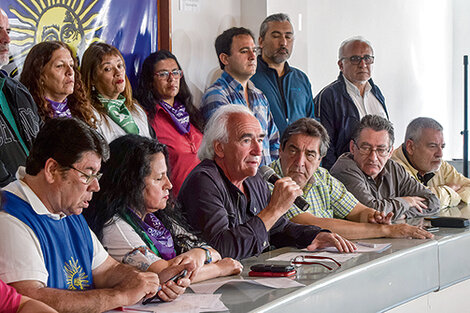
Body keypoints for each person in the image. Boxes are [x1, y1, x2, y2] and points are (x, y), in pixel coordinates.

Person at [0, 118, 191, 312]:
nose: (95, 186)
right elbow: (29, 300)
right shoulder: (9, 217)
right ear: (52, 170)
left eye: (96, 175)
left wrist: (150, 282)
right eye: (87, 174)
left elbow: (107, 270)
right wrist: (120, 295)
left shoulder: (65, 207)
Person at [178, 105, 356, 260]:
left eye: (260, 140)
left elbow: (278, 228)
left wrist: (315, 235)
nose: (258, 150)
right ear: (219, 148)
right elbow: (221, 249)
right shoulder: (203, 182)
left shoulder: (254, 178)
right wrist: (274, 209)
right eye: (246, 140)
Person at [84, 134, 242, 283]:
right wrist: (219, 269)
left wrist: (200, 253)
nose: (169, 185)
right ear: (130, 182)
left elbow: (212, 251)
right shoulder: (114, 226)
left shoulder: (158, 217)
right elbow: (165, 274)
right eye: (159, 178)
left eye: (166, 175)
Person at [270, 117, 433, 239]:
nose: (300, 162)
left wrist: (374, 216)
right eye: (293, 151)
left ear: (320, 159)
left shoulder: (322, 177)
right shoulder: (269, 181)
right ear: (280, 151)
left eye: (310, 155)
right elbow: (310, 223)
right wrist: (386, 230)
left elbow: (358, 210)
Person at [330, 115, 440, 219]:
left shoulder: (394, 168)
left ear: (390, 152)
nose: (373, 158)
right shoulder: (344, 169)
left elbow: (433, 201)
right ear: (352, 148)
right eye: (366, 148)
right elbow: (371, 211)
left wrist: (404, 214)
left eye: (381, 150)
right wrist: (406, 202)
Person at [200, 27, 279, 166]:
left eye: (254, 51)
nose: (253, 56)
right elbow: (226, 148)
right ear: (225, 58)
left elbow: (273, 141)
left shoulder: (259, 95)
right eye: (244, 51)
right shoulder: (216, 95)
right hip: (237, 182)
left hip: (264, 182)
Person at [135, 50, 204, 196]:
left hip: (205, 195)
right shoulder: (146, 118)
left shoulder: (190, 112)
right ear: (150, 81)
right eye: (163, 74)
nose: (172, 79)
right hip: (172, 202)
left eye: (175, 72)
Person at [315, 37, 388, 169]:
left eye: (367, 58)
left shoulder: (376, 93)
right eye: (355, 59)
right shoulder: (328, 97)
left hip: (378, 171)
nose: (363, 64)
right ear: (341, 65)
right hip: (346, 175)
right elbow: (325, 148)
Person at [251, 13, 314, 134]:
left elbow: (311, 121)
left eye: (288, 37)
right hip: (263, 150)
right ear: (261, 41)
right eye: (276, 36)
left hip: (298, 151)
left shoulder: (301, 78)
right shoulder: (250, 76)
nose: (283, 43)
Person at [0, 8, 41, 187]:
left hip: (36, 203)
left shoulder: (18, 91)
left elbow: (44, 145)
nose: (7, 40)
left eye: (7, 31)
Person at [81, 42, 153, 142]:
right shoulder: (89, 115)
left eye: (120, 66)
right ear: (92, 78)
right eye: (108, 69)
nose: (118, 72)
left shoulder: (136, 109)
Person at [392, 117, 470, 208]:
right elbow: (422, 202)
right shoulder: (393, 167)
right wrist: (450, 190)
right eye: (433, 146)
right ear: (410, 147)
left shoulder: (440, 165)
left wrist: (442, 194)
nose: (440, 154)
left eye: (442, 147)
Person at [19, 41, 95, 127]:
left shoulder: (81, 110)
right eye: (60, 66)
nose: (70, 72)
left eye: (71, 65)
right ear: (40, 75)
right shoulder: (29, 116)